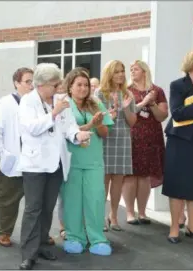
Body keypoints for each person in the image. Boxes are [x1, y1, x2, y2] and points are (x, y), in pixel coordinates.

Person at [17, 63, 92, 270]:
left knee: (47, 208)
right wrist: (53, 114)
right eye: (55, 84)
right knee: (33, 208)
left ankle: (41, 244)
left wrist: (78, 135)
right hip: (35, 164)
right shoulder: (27, 101)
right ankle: (28, 253)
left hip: (56, 163)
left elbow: (69, 128)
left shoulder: (61, 101)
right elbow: (32, 128)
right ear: (40, 85)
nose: (59, 87)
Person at [61, 68, 114, 256]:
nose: (83, 88)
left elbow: (105, 133)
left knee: (95, 199)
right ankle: (75, 237)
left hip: (93, 162)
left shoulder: (96, 103)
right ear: (70, 87)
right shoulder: (63, 105)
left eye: (86, 85)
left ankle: (97, 239)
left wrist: (99, 124)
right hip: (72, 161)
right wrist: (90, 124)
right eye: (79, 85)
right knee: (72, 201)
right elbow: (67, 131)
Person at [0, 67, 33, 247]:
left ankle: (37, 235)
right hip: (6, 158)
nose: (31, 85)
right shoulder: (5, 103)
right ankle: (4, 232)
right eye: (27, 82)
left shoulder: (34, 103)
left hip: (29, 159)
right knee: (8, 198)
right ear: (16, 83)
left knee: (34, 199)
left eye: (33, 82)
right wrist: (2, 157)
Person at [123, 60, 168, 225]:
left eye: (135, 69)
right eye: (131, 69)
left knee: (144, 176)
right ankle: (129, 212)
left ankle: (142, 213)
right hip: (131, 136)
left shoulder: (157, 91)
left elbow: (162, 116)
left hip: (151, 137)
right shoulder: (126, 91)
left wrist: (152, 103)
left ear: (144, 71)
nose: (132, 72)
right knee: (130, 175)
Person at [96, 60, 137, 231]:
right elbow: (98, 120)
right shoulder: (99, 93)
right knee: (104, 180)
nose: (120, 74)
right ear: (109, 74)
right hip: (105, 140)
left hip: (122, 141)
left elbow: (133, 122)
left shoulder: (128, 94)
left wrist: (126, 108)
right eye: (116, 71)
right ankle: (100, 216)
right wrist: (110, 114)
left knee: (118, 181)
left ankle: (113, 216)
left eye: (122, 71)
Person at [162, 49, 193, 244]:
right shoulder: (177, 85)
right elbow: (177, 113)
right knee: (177, 185)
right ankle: (174, 228)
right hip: (180, 140)